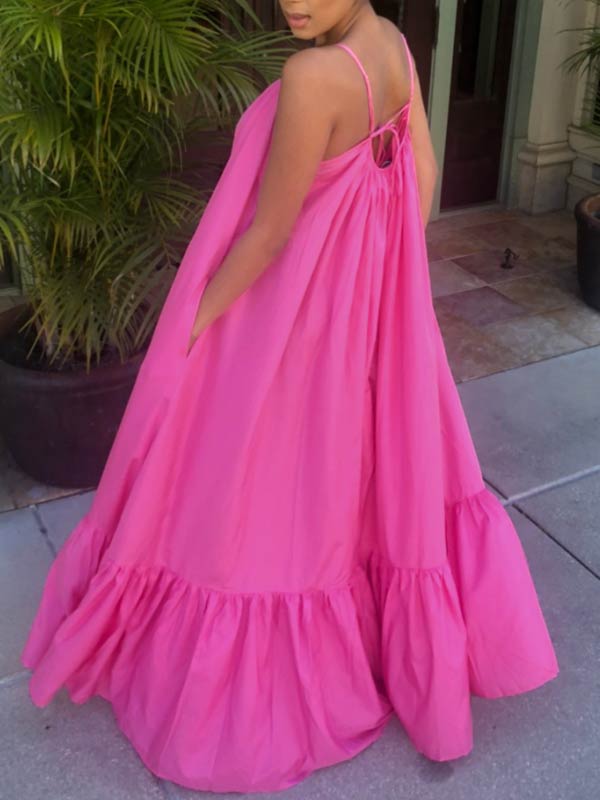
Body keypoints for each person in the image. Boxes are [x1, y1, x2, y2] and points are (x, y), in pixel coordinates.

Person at [21, 1, 559, 794]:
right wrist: (376, 273)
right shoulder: (393, 44)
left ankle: (251, 690)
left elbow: (270, 234)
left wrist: (192, 324)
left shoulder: (313, 75)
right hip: (362, 314)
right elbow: (423, 180)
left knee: (253, 490)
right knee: (344, 481)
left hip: (290, 320)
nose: (291, 1)